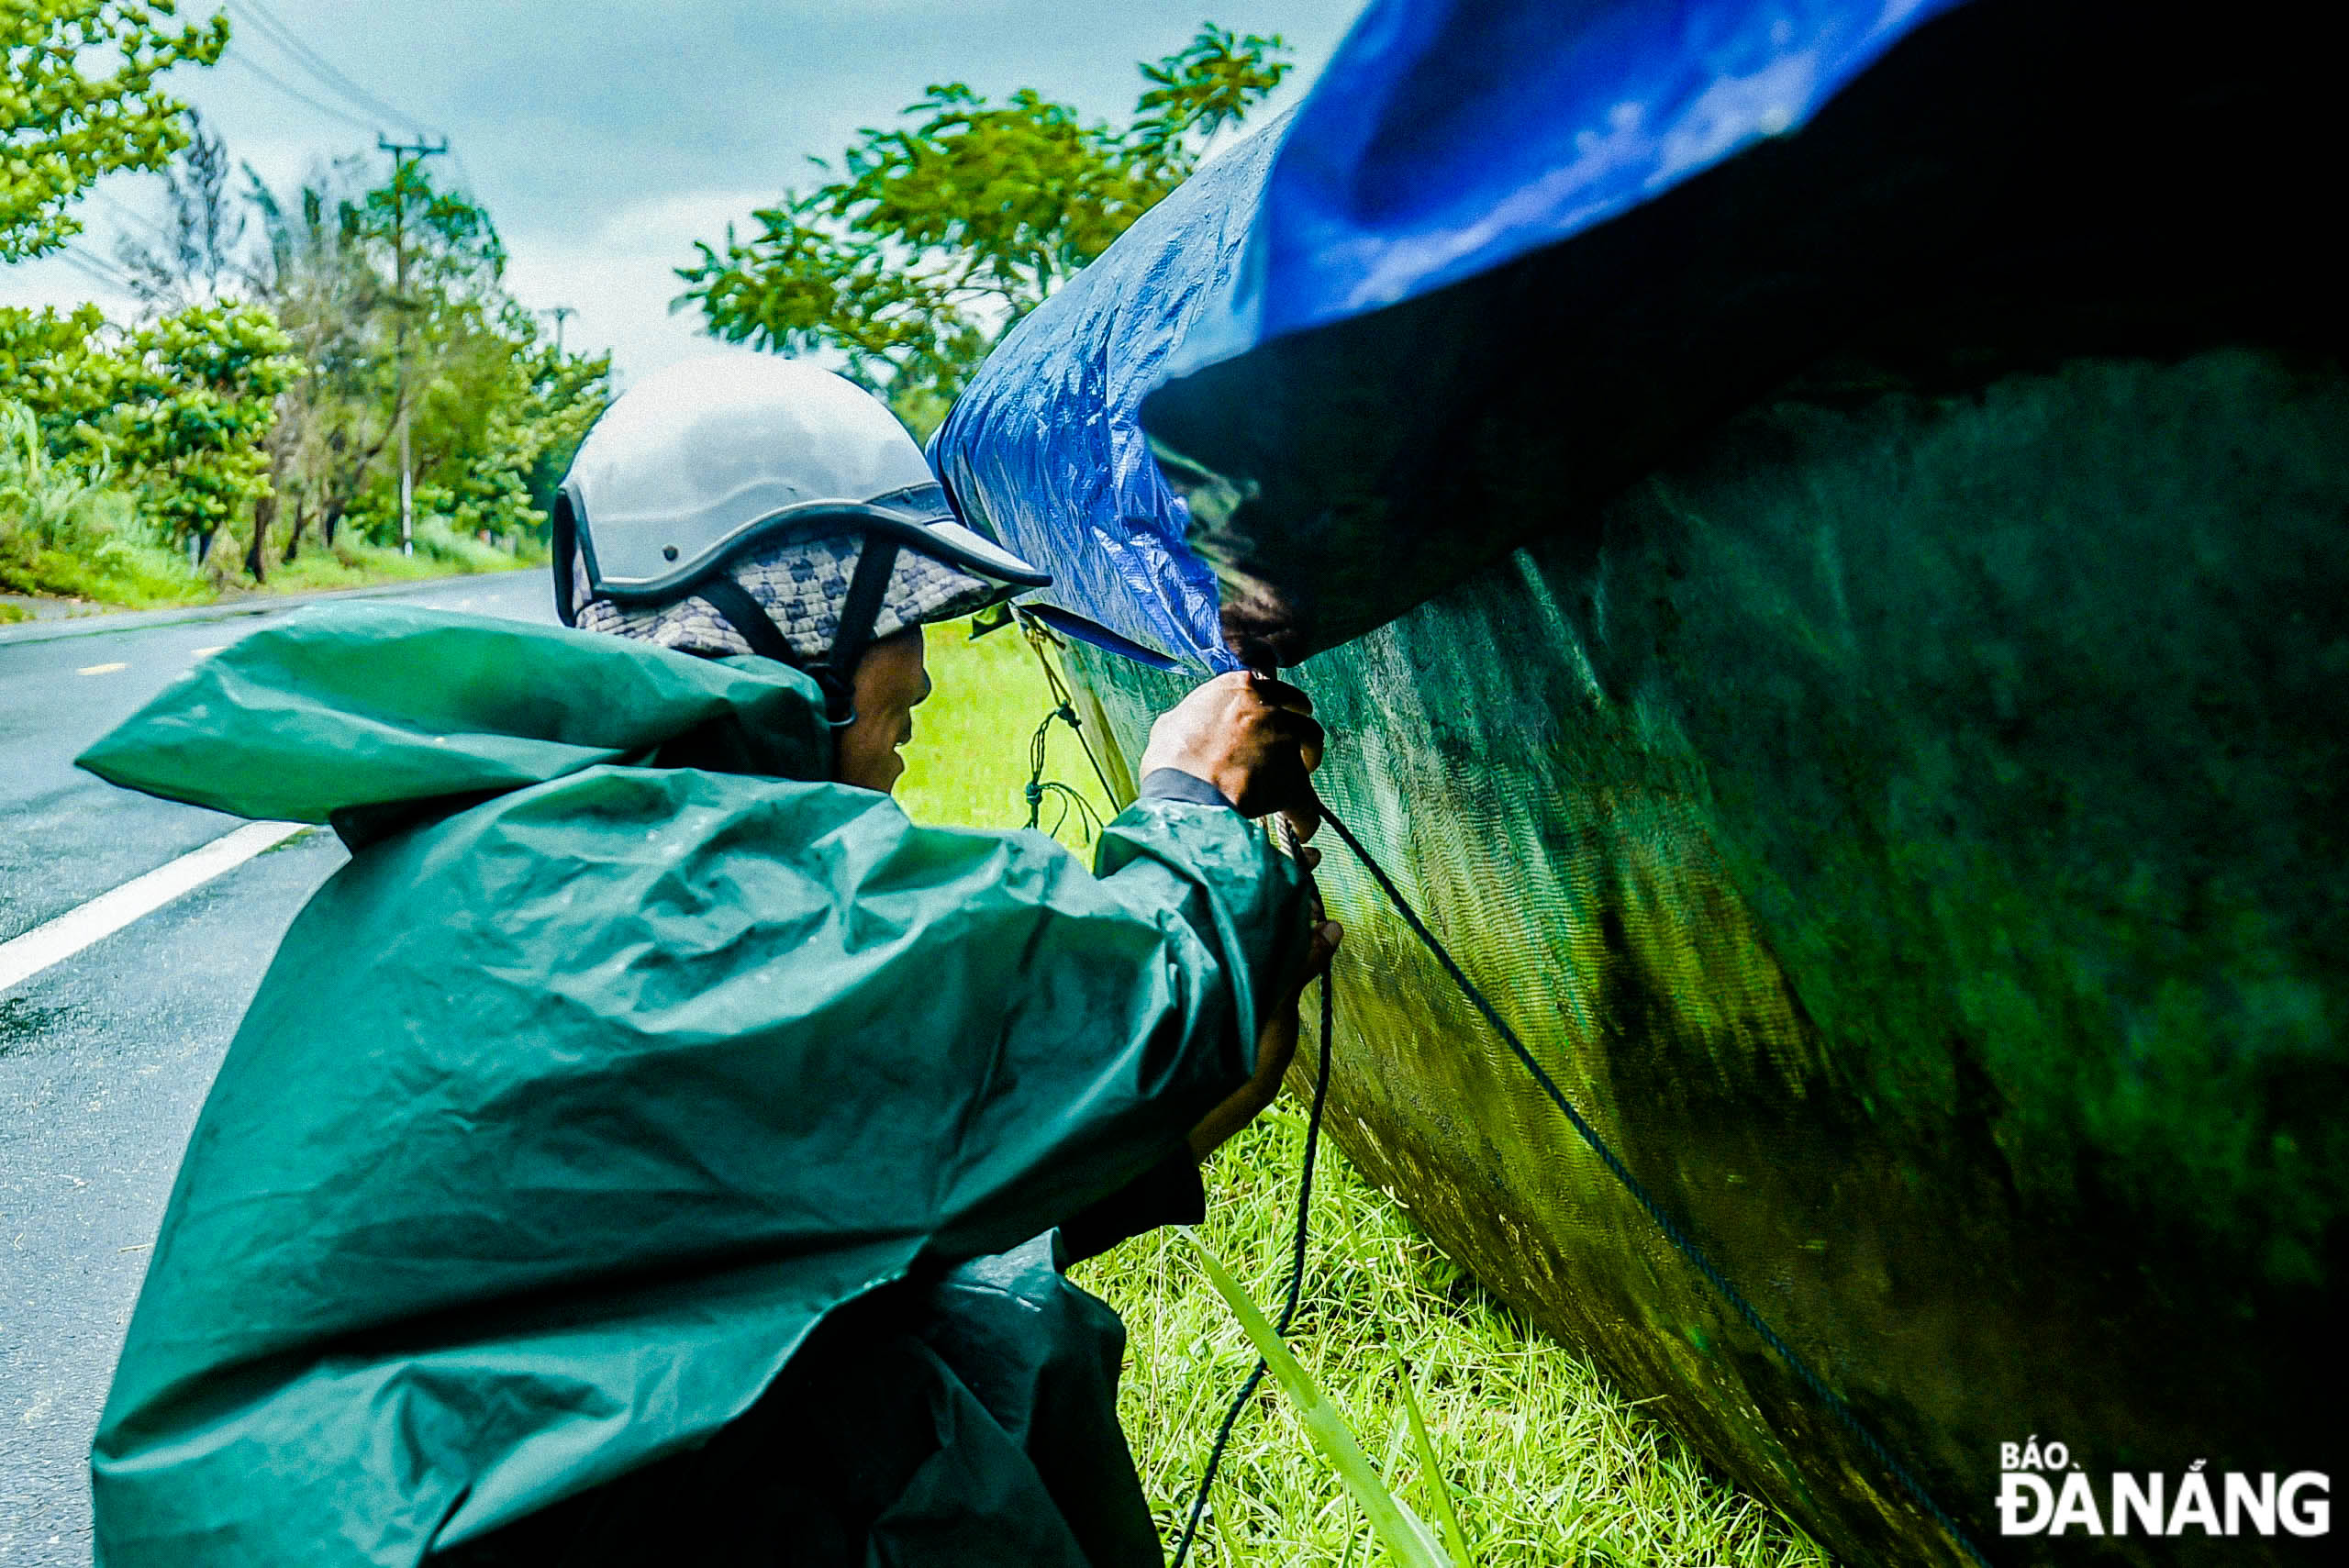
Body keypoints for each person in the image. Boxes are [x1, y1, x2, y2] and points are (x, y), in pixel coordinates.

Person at [77, 355, 1337, 1567]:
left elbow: (765, 1197)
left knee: (933, 1327)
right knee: (951, 1387)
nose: (927, 673)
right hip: (410, 1528)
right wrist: (1194, 788)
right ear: (797, 613)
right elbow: (1139, 997)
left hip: (421, 1513)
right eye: (897, 610)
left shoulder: (567, 839)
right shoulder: (665, 889)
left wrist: (1148, 1128)